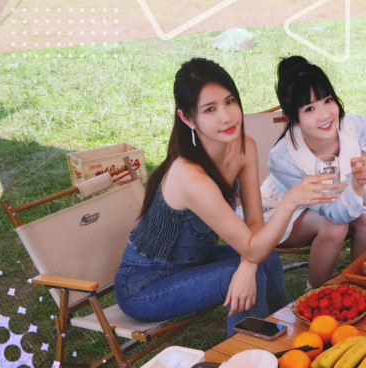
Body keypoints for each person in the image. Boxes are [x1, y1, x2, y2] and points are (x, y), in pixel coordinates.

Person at [115, 58, 333, 337]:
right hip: (145, 283)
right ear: (187, 118)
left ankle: (285, 337)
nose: (227, 116)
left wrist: (248, 263)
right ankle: (250, 359)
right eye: (210, 109)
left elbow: (254, 221)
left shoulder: (243, 146)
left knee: (267, 261)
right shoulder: (188, 176)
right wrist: (290, 200)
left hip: (195, 260)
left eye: (230, 101)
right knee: (241, 273)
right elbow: (252, 246)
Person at [243, 56, 366, 288]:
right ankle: (315, 293)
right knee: (334, 226)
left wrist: (364, 177)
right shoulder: (283, 159)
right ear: (293, 119)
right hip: (288, 208)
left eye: (328, 100)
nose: (325, 114)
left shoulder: (356, 128)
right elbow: (332, 212)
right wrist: (357, 185)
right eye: (309, 108)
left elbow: (365, 177)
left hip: (340, 197)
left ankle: (362, 285)